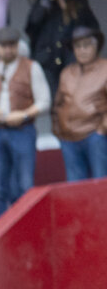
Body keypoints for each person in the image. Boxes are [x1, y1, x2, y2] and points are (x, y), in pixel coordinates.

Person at [0, 28, 52, 223]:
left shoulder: (32, 67)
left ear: (17, 46)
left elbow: (45, 101)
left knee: (24, 186)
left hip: (22, 130)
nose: (8, 50)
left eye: (12, 45)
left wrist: (24, 114)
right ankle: (1, 235)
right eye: (3, 46)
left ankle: (27, 227)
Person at [54, 26, 107, 182]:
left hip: (95, 136)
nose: (82, 50)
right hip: (68, 138)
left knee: (100, 183)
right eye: (78, 46)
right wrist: (59, 130)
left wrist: (102, 129)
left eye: (86, 45)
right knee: (75, 186)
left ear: (96, 46)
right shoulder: (67, 72)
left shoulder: (105, 69)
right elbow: (58, 104)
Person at [26, 0, 101, 92]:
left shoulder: (79, 6)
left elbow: (93, 31)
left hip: (72, 61)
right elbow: (32, 26)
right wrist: (47, 0)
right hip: (47, 62)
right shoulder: (44, 3)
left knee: (71, 94)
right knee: (49, 96)